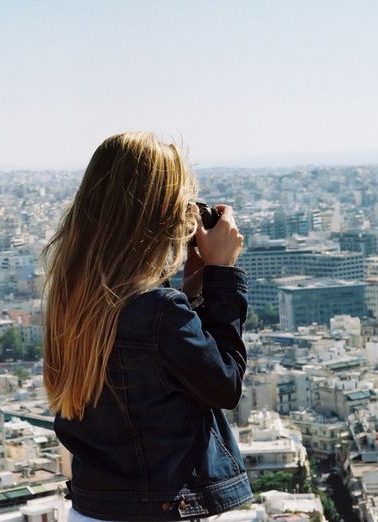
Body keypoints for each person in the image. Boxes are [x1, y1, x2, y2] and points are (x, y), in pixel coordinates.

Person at [43, 131, 252, 521]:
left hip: (91, 509)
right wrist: (222, 274)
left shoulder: (73, 301)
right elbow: (224, 384)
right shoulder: (158, 311)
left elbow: (151, 371)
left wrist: (190, 291)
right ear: (162, 215)